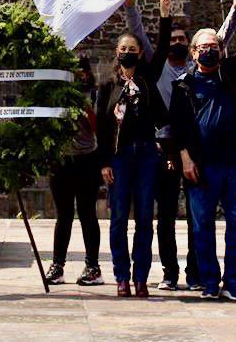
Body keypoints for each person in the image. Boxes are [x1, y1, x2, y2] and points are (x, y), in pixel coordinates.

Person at [171, 0, 236, 300]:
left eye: (214, 45)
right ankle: (210, 283)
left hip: (234, 164)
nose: (209, 50)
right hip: (202, 167)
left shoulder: (232, 74)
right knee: (202, 228)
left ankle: (234, 282)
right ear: (194, 52)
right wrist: (185, 158)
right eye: (203, 46)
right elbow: (178, 127)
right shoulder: (183, 85)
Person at [96, 29, 165, 296]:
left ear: (140, 53)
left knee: (145, 218)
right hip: (120, 157)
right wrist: (104, 162)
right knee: (119, 218)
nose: (127, 53)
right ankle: (122, 276)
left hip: (145, 154)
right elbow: (102, 128)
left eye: (132, 49)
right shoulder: (108, 87)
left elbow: (160, 54)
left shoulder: (146, 83)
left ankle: (141, 277)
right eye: (123, 49)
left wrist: (164, 17)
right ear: (117, 52)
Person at [151, 0, 195, 291]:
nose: (177, 43)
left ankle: (195, 271)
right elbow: (143, 36)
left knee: (196, 214)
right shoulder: (157, 70)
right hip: (164, 146)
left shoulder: (197, 69)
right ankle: (169, 271)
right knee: (165, 214)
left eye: (182, 40)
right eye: (173, 39)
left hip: (192, 147)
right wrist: (163, 14)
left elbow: (221, 38)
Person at [45, 56, 103, 286]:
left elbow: (98, 127)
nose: (78, 76)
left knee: (87, 213)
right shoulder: (56, 95)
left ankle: (93, 266)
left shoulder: (95, 95)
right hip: (61, 160)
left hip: (87, 159)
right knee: (64, 215)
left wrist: (82, 106)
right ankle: (57, 265)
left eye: (81, 71)